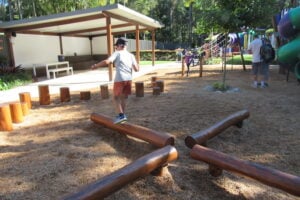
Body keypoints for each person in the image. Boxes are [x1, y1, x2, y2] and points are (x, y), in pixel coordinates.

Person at [91, 37, 139, 124]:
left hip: (120, 79)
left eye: (116, 46)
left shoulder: (117, 53)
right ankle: (122, 116)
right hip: (129, 79)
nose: (116, 48)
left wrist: (96, 66)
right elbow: (136, 69)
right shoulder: (131, 55)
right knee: (123, 98)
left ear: (119, 46)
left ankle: (121, 116)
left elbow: (107, 61)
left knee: (115, 98)